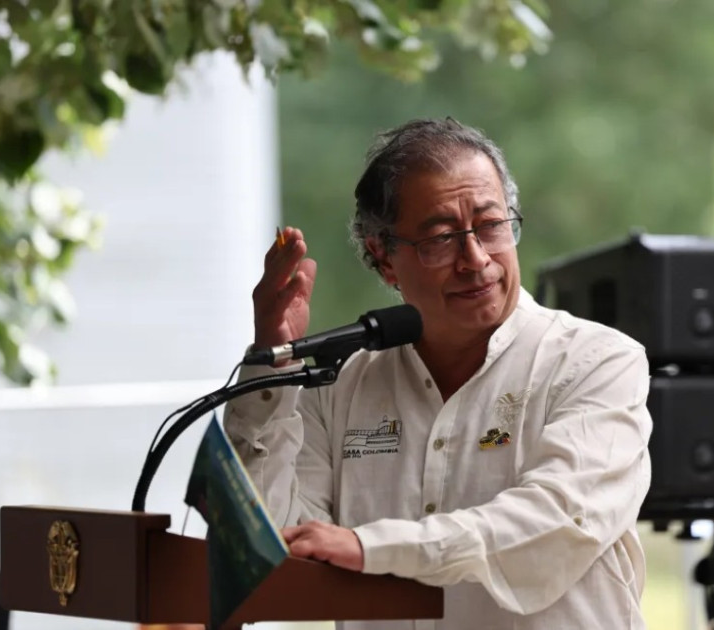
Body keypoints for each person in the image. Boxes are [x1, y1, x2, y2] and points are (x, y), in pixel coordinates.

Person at [224, 117, 653, 629]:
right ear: (383, 258)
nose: (476, 260)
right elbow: (273, 543)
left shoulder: (596, 361)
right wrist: (273, 355)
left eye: (491, 225)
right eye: (442, 238)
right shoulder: (339, 385)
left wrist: (371, 547)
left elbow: (558, 523)